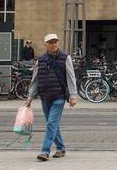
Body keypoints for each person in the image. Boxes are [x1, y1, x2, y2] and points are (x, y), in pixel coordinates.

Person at [24, 33, 77, 162]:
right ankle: (61, 148)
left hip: (59, 96)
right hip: (45, 97)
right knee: (52, 124)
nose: (53, 44)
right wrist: (30, 97)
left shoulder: (65, 58)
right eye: (50, 42)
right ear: (45, 45)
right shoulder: (40, 60)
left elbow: (71, 77)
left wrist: (73, 95)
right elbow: (35, 80)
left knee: (51, 123)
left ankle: (45, 151)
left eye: (55, 42)